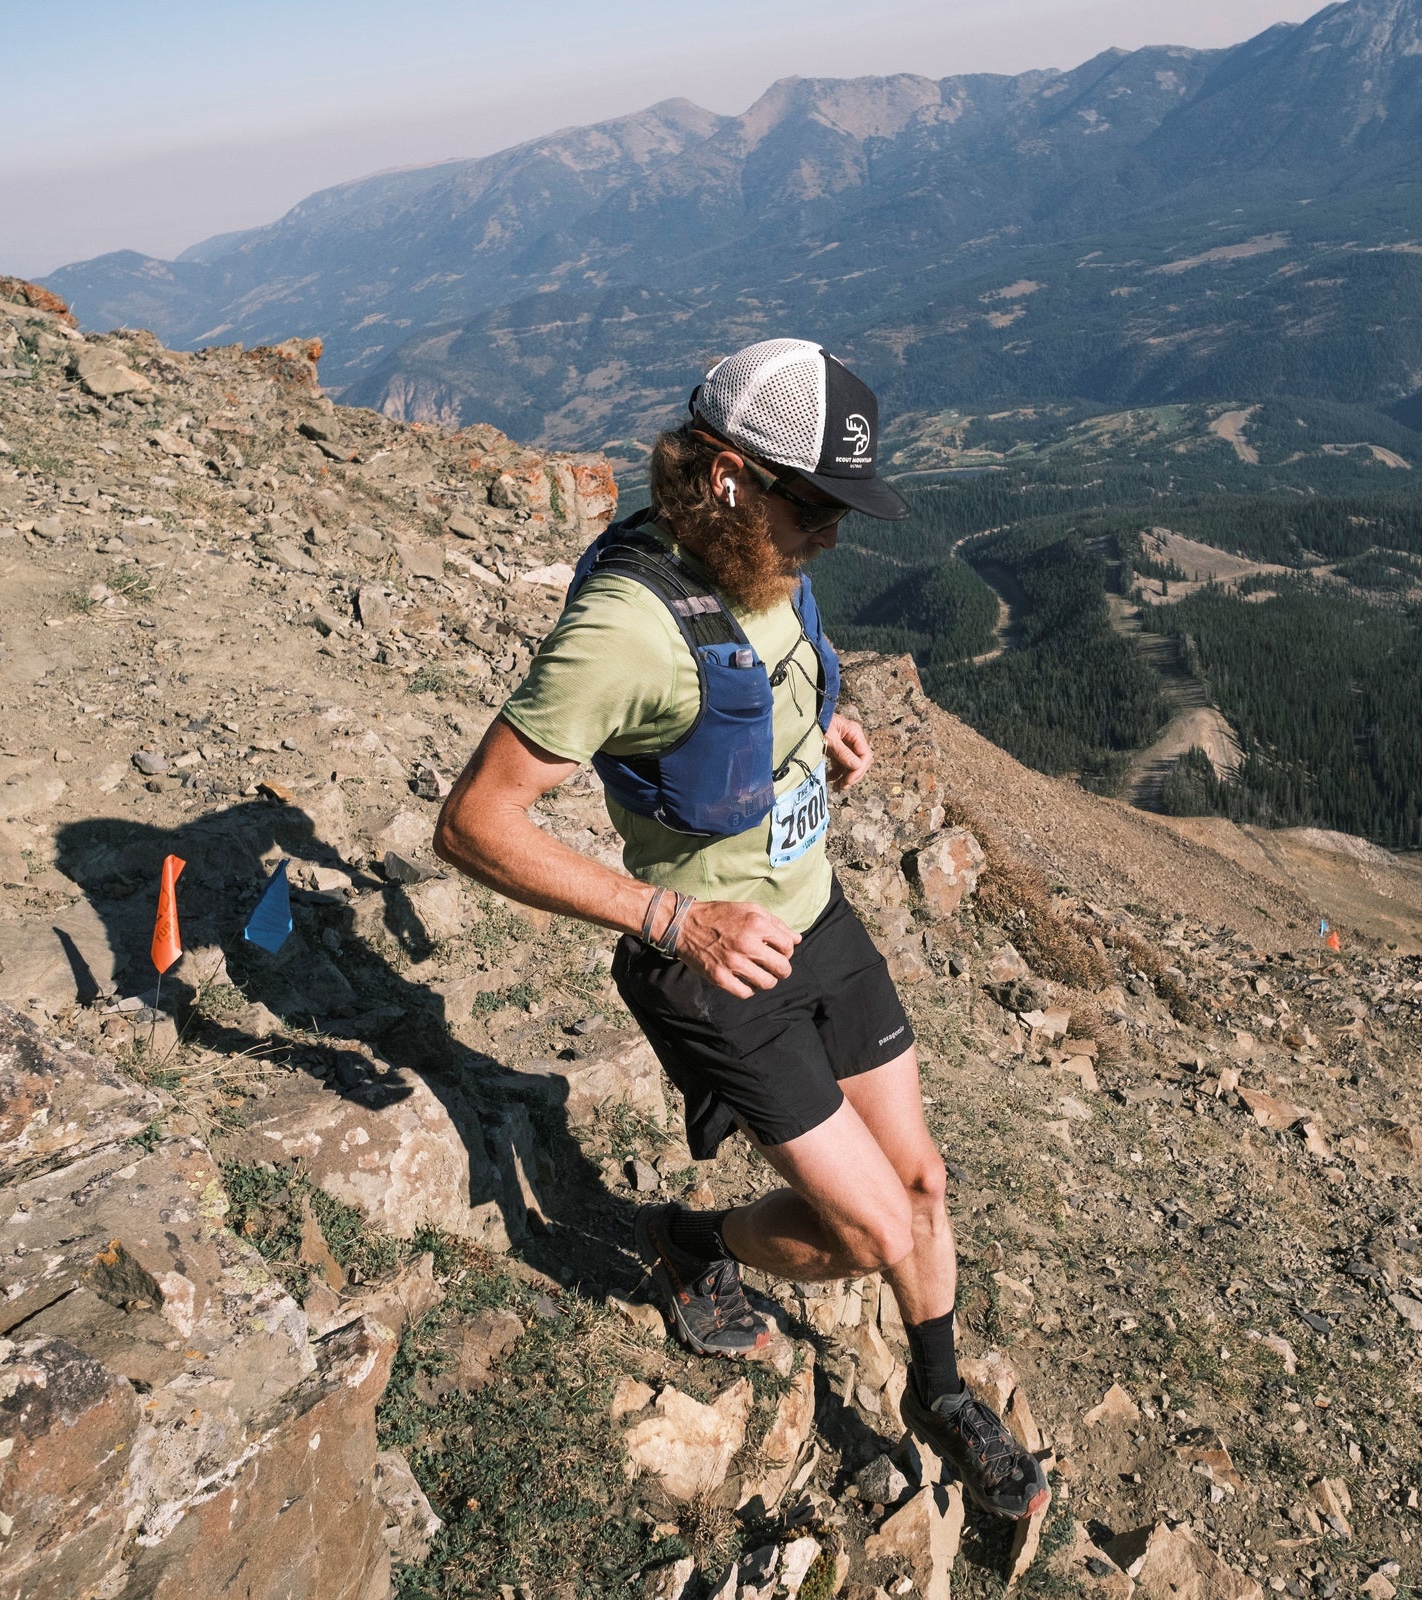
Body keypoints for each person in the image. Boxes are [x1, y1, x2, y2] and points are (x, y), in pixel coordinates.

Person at [434, 338, 1048, 1521]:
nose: (831, 536)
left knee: (921, 1178)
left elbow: (759, 686)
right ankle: (691, 1236)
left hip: (816, 916)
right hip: (717, 963)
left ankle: (938, 1390)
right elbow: (473, 822)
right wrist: (676, 918)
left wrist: (823, 736)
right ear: (727, 475)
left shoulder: (761, 562)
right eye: (815, 506)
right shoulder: (626, 625)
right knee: (865, 1232)